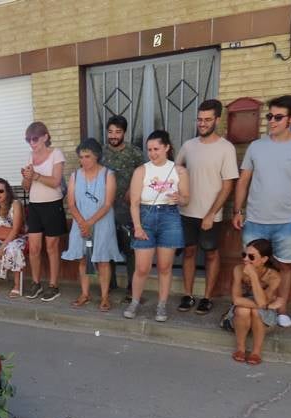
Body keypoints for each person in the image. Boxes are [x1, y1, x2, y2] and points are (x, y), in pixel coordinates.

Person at [233, 95, 291, 329]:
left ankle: (280, 309)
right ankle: (246, 307)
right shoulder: (256, 146)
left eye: (278, 117)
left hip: (288, 221)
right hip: (255, 219)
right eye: (269, 116)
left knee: (285, 266)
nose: (271, 121)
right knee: (250, 267)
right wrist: (238, 210)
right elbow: (243, 181)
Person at [175, 99, 239, 316]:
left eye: (207, 120)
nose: (202, 124)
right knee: (189, 252)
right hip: (186, 212)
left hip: (211, 214)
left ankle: (207, 297)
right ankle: (188, 294)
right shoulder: (188, 146)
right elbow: (174, 170)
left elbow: (228, 184)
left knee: (211, 254)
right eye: (200, 119)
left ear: (217, 120)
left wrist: (211, 213)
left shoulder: (226, 148)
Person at [125, 130, 189, 322]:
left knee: (164, 266)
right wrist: (137, 226)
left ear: (167, 148)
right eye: (149, 149)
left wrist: (180, 198)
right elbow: (134, 202)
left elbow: (186, 199)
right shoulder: (141, 171)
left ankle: (161, 305)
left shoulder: (179, 171)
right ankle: (135, 301)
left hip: (170, 216)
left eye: (156, 149)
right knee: (142, 267)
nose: (152, 153)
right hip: (146, 216)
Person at [61, 138, 124, 312]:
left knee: (103, 260)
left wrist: (89, 223)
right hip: (80, 224)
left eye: (87, 156)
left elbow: (107, 204)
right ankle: (85, 294)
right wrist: (82, 223)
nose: (83, 160)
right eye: (81, 157)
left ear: (96, 156)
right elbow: (71, 203)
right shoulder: (75, 175)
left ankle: (104, 297)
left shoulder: (107, 175)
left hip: (102, 223)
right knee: (83, 259)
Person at [21, 121, 68, 302]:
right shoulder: (29, 157)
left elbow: (56, 181)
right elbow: (26, 187)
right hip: (34, 205)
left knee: (52, 247)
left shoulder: (56, 154)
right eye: (28, 140)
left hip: (52, 204)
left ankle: (53, 285)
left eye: (34, 139)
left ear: (45, 137)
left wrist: (36, 176)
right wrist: (27, 177)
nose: (32, 143)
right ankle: (36, 283)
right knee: (34, 247)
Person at [101, 115, 144, 303]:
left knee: (131, 249)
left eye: (118, 132)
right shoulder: (100, 154)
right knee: (106, 247)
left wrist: (132, 192)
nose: (113, 135)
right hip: (105, 209)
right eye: (110, 131)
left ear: (124, 133)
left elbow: (144, 176)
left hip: (128, 209)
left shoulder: (135, 153)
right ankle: (108, 285)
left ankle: (131, 288)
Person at [228, 239, 283, 366]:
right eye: (244, 255)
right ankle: (240, 349)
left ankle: (256, 352)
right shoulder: (238, 269)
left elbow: (262, 301)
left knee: (256, 311)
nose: (245, 259)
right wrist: (268, 305)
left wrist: (253, 276)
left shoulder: (274, 276)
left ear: (264, 259)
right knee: (243, 309)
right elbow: (236, 299)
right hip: (242, 314)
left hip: (264, 320)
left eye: (251, 257)